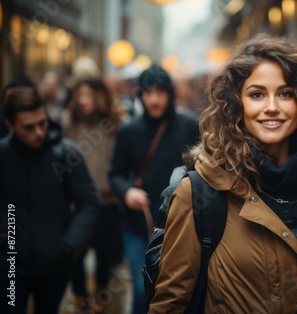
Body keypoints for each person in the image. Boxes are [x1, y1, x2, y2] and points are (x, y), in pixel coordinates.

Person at [149, 33, 297, 313]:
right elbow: (170, 304)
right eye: (257, 94)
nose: (272, 107)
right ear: (237, 104)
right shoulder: (201, 193)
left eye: (285, 94)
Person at [108, 64, 200, 314]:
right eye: (148, 93)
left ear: (170, 94)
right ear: (141, 95)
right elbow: (115, 173)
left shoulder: (190, 126)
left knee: (176, 291)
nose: (155, 99)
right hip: (138, 224)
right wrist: (127, 191)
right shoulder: (129, 130)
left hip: (181, 224)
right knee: (141, 288)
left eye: (160, 92)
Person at [0, 87, 99, 314]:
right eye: (29, 127)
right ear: (10, 126)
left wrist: (70, 246)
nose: (38, 132)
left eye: (42, 123)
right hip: (10, 265)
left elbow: (89, 201)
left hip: (54, 263)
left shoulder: (66, 153)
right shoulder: (3, 156)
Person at [61, 77, 128, 311]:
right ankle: (80, 294)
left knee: (105, 251)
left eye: (88, 95)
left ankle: (101, 289)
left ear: (100, 96)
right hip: (76, 202)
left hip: (107, 201)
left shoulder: (116, 124)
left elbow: (124, 161)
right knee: (76, 251)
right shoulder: (69, 123)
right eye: (80, 95)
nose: (83, 100)